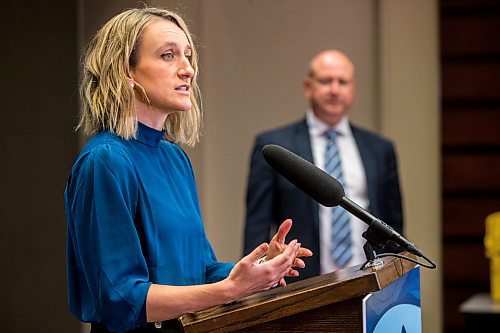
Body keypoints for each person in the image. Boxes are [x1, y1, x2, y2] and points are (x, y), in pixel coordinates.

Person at [64, 7, 312, 333]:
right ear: (127, 71)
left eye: (189, 56)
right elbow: (120, 299)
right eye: (168, 55)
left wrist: (260, 269)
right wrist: (231, 289)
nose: (188, 70)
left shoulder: (175, 159)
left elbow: (200, 271)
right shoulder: (106, 161)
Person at [244, 50, 403, 282]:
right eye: (326, 81)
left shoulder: (380, 149)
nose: (335, 89)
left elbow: (393, 225)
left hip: (370, 282)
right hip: (301, 285)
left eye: (343, 82)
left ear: (353, 88)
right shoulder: (275, 147)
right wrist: (254, 283)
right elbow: (256, 227)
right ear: (308, 86)